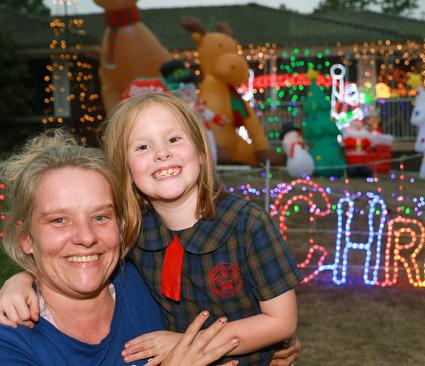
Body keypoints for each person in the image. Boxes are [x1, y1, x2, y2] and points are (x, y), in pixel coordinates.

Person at [0, 92, 302, 365]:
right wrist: (23, 279)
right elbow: (66, 261)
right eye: (143, 146)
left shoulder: (245, 224)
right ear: (126, 170)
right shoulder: (136, 228)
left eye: (173, 140)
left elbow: (281, 323)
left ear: (200, 150)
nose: (162, 153)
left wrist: (188, 344)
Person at [0, 130, 239, 365]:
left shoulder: (145, 278)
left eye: (101, 217)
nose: (86, 237)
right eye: (59, 220)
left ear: (122, 224)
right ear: (26, 238)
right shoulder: (11, 338)